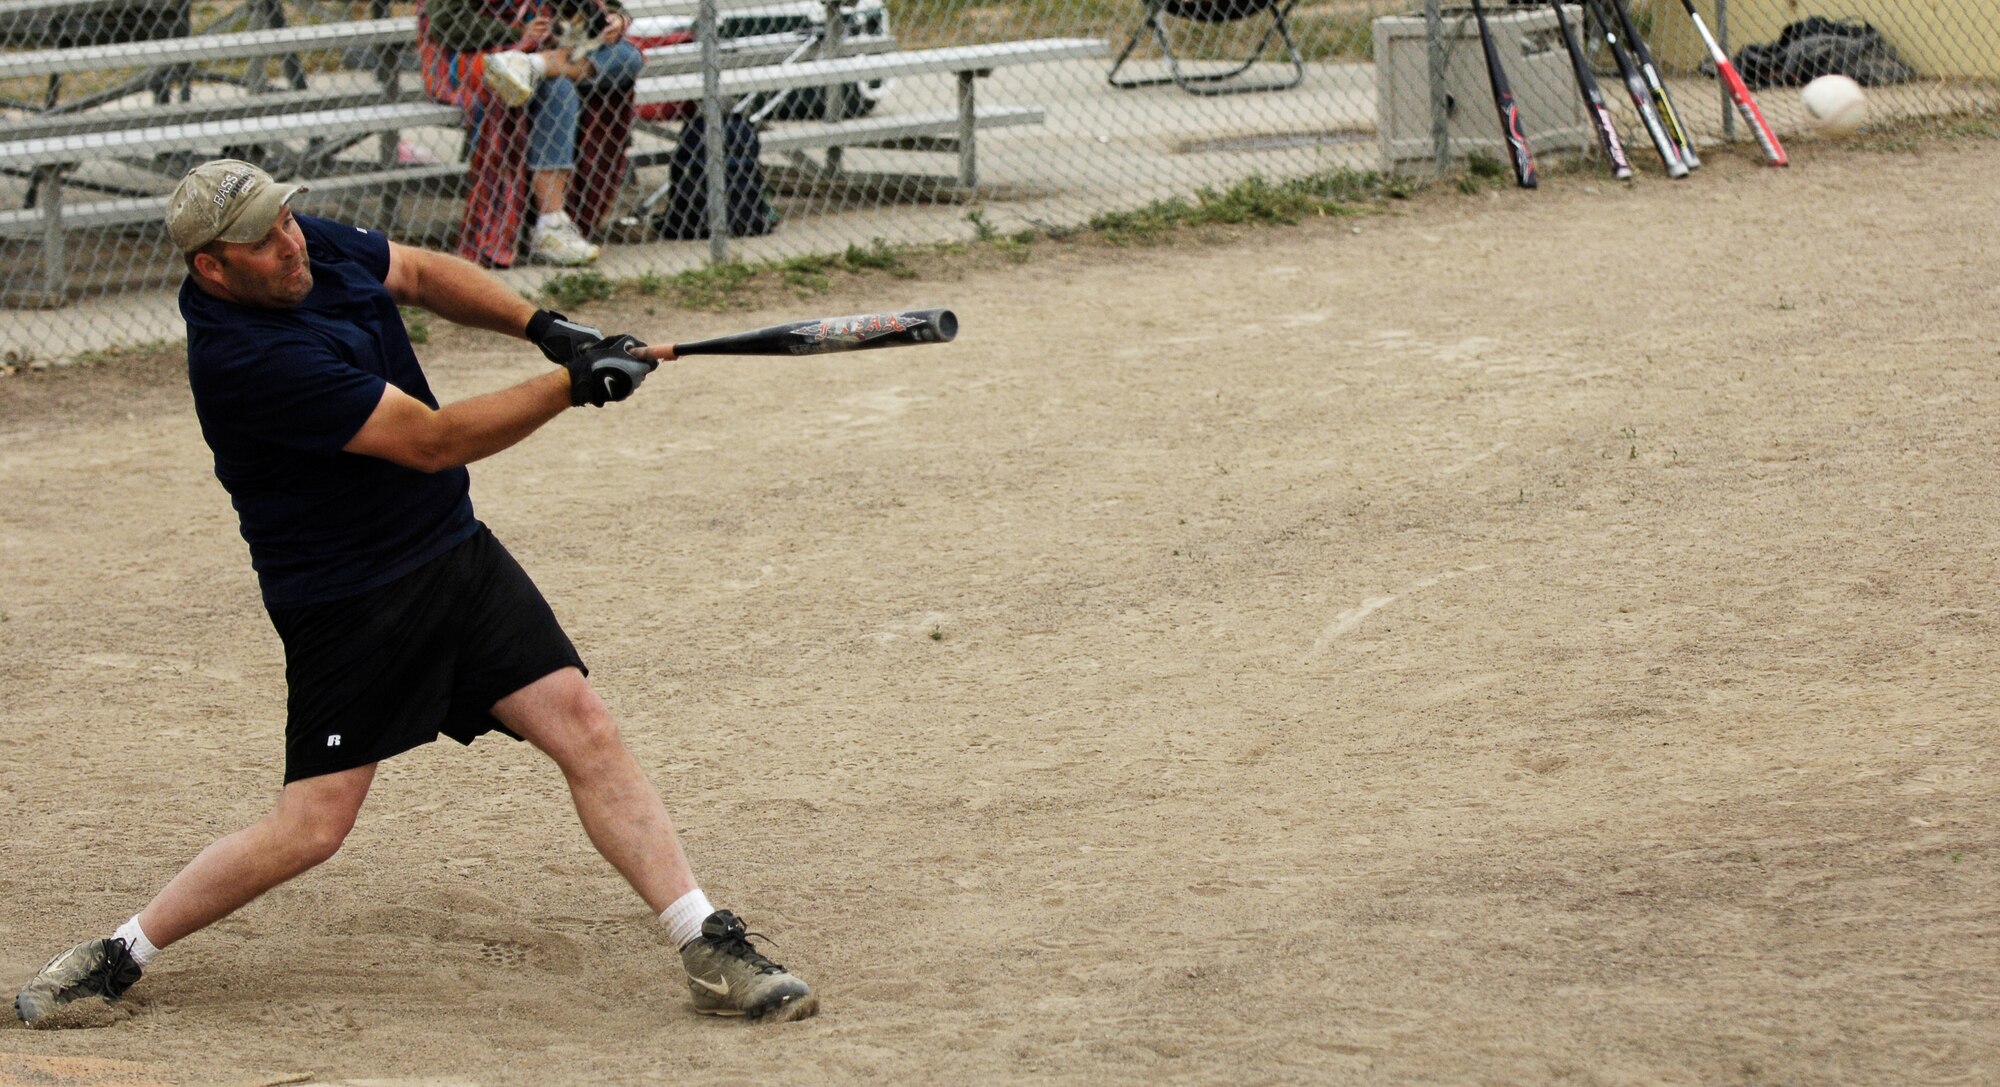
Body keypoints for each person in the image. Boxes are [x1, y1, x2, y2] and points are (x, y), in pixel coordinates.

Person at [12, 159, 817, 1026]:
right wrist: (572, 383)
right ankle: (115, 953)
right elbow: (430, 441)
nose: (291, 242)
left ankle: (706, 941)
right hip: (350, 600)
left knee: (583, 724)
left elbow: (424, 273)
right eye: (263, 238)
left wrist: (544, 327)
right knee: (313, 826)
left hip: (450, 551)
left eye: (287, 220)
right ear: (212, 266)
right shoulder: (247, 359)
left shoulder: (298, 245)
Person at [418, 0, 644, 266]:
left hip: (549, 49)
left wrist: (616, 18)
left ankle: (537, 65)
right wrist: (517, 35)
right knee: (559, 90)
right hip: (477, 55)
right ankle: (551, 223)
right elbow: (446, 25)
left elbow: (606, 7)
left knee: (628, 57)